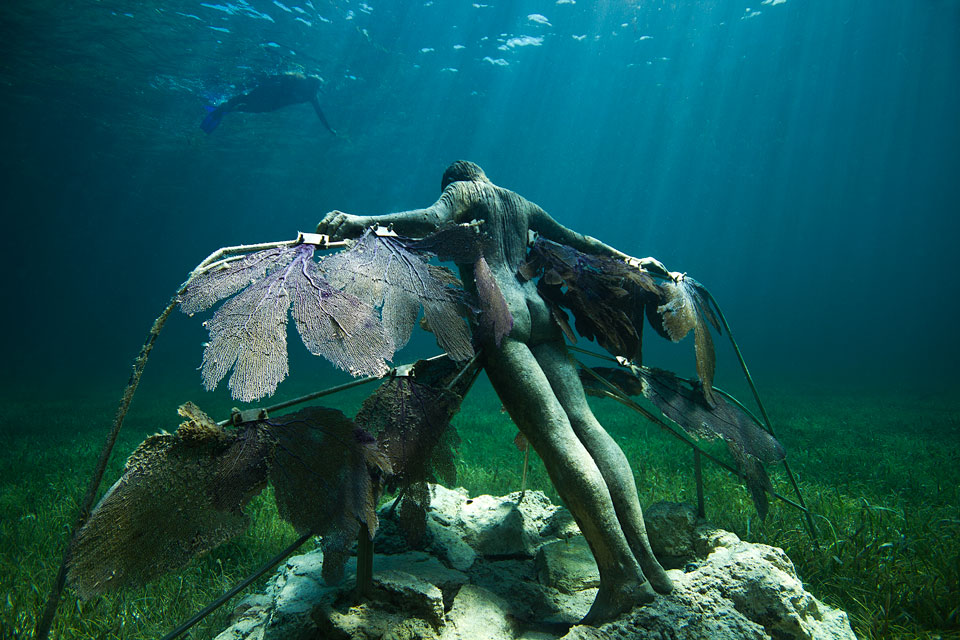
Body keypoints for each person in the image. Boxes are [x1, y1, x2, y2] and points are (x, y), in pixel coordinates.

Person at [317, 161, 676, 624]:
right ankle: (650, 567)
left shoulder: (462, 191)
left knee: (554, 434)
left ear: (460, 181)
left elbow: (431, 219)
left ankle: (622, 576)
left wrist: (357, 223)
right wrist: (631, 261)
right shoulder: (518, 201)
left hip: (500, 313)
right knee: (587, 424)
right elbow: (580, 241)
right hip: (539, 311)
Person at [200, 72, 336, 135]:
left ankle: (224, 109)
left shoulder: (310, 94)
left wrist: (328, 128)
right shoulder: (299, 83)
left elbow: (320, 113)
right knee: (246, 102)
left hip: (271, 101)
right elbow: (273, 78)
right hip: (270, 98)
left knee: (246, 103)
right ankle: (224, 109)